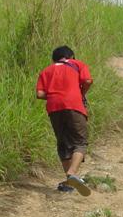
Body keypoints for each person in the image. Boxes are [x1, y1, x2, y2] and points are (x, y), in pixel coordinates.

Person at [36, 46, 93, 196]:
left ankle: (69, 183)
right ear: (71, 56)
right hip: (74, 105)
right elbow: (87, 80)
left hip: (54, 108)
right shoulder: (77, 64)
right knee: (80, 142)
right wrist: (81, 93)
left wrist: (55, 96)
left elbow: (40, 94)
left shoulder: (46, 71)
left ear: (54, 59)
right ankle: (72, 173)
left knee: (63, 143)